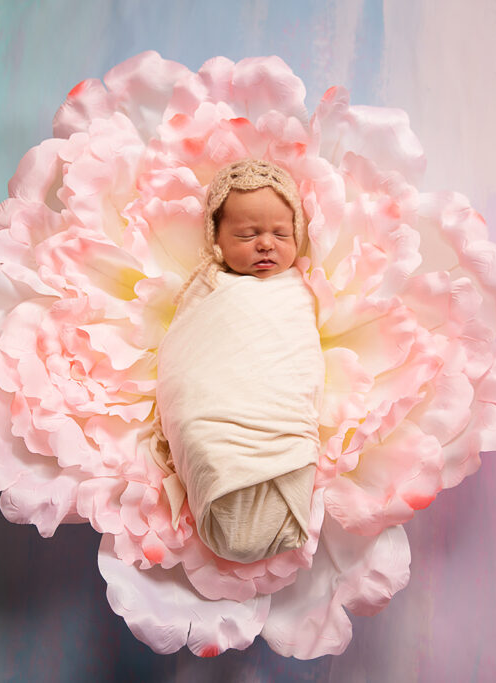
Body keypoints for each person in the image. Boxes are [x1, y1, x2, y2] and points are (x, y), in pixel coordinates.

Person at [154, 159, 324, 563]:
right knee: (199, 421)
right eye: (247, 234)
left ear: (297, 235)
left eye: (281, 234)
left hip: (278, 417)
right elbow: (183, 359)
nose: (266, 244)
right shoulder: (207, 288)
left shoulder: (296, 291)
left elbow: (300, 357)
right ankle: (221, 487)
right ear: (218, 240)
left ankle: (276, 497)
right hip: (214, 419)